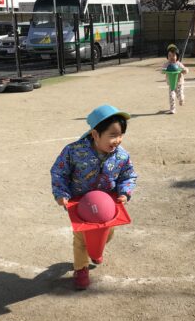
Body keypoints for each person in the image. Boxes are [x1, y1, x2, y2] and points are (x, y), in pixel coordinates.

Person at [51, 105, 137, 290]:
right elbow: (59, 172)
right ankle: (81, 269)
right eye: (113, 135)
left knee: (108, 234)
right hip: (81, 206)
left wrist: (124, 192)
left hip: (107, 207)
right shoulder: (74, 151)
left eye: (121, 135)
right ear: (95, 134)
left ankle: (96, 249)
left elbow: (128, 175)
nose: (118, 140)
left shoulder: (121, 156)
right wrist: (61, 194)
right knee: (81, 239)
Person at [162, 46, 188, 114]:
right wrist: (163, 71)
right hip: (171, 84)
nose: (171, 57)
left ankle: (181, 99)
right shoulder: (167, 64)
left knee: (180, 96)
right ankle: (172, 109)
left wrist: (184, 70)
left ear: (177, 56)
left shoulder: (178, 64)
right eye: (169, 55)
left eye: (173, 55)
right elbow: (163, 69)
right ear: (167, 57)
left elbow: (185, 69)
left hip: (179, 83)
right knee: (172, 96)